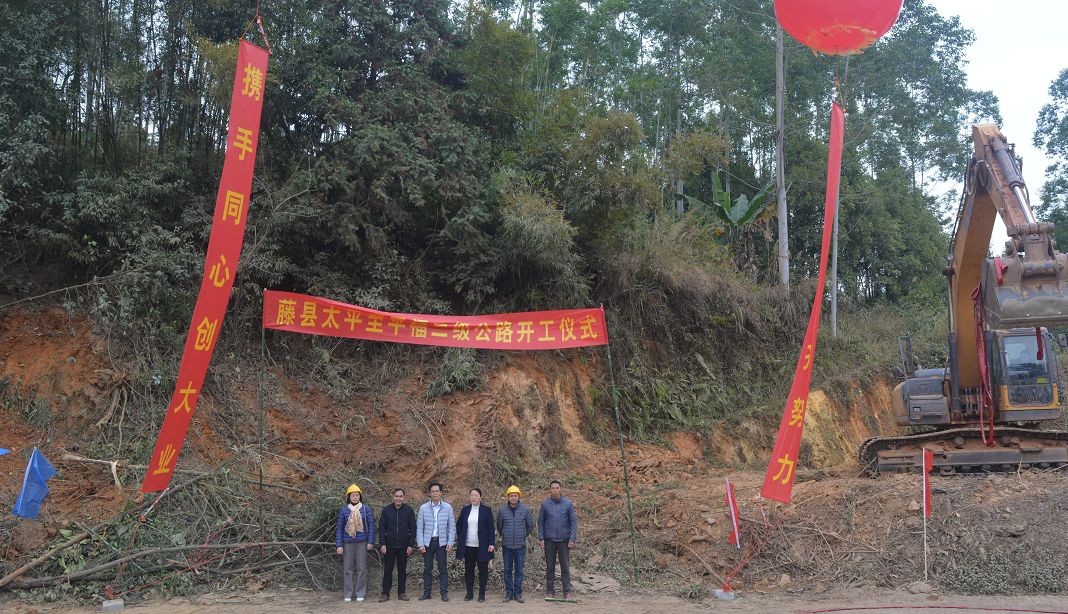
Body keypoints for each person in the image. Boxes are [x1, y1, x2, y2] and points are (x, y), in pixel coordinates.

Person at [335, 484, 376, 603]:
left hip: (362, 542)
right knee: (348, 569)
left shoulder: (365, 509)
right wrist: (339, 545)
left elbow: (371, 526)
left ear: (360, 496)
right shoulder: (344, 510)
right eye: (353, 495)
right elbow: (339, 528)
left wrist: (370, 541)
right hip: (347, 543)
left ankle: (360, 593)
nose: (355, 497)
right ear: (349, 497)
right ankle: (348, 593)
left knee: (361, 568)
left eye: (357, 495)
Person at [416, 482, 455, 601]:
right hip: (428, 542)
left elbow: (452, 527)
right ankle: (427, 593)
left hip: (441, 542)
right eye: (433, 491)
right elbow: (420, 527)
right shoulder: (423, 508)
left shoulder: (447, 507)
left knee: (443, 568)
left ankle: (444, 593)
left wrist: (450, 542)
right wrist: (420, 544)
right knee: (427, 569)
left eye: (437, 491)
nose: (435, 493)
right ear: (430, 493)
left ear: (441, 493)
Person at [538, 479, 577, 600]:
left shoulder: (568, 504)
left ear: (560, 489)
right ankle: (550, 591)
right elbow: (541, 522)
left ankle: (567, 592)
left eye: (557, 488)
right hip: (549, 540)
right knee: (550, 567)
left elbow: (573, 522)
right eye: (553, 488)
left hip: (564, 541)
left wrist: (572, 538)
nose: (555, 490)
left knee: (565, 567)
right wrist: (541, 537)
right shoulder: (545, 504)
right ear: (550, 490)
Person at [456, 488, 496, 602]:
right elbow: (459, 525)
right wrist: (461, 537)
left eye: (476, 495)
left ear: (480, 497)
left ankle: (482, 594)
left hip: (482, 546)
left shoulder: (486, 510)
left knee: (483, 571)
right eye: (471, 495)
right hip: (468, 546)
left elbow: (491, 528)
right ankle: (469, 593)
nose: (473, 497)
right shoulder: (465, 510)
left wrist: (491, 543)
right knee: (469, 570)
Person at [377, 487, 417, 602]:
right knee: (388, 570)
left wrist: (410, 545)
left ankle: (402, 593)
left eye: (400, 496)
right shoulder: (386, 510)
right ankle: (385, 593)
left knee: (402, 571)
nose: (398, 498)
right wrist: (382, 544)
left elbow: (413, 529)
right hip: (389, 546)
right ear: (393, 497)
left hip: (404, 546)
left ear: (404, 498)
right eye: (396, 496)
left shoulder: (409, 510)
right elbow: (381, 528)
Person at [497, 484, 534, 603]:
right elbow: (499, 527)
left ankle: (517, 593)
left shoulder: (526, 510)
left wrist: (522, 536)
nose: (513, 498)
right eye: (511, 495)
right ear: (508, 497)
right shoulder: (502, 510)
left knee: (519, 570)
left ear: (519, 497)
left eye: (515, 496)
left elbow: (530, 526)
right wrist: (506, 535)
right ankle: (509, 593)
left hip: (520, 546)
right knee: (507, 570)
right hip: (507, 546)